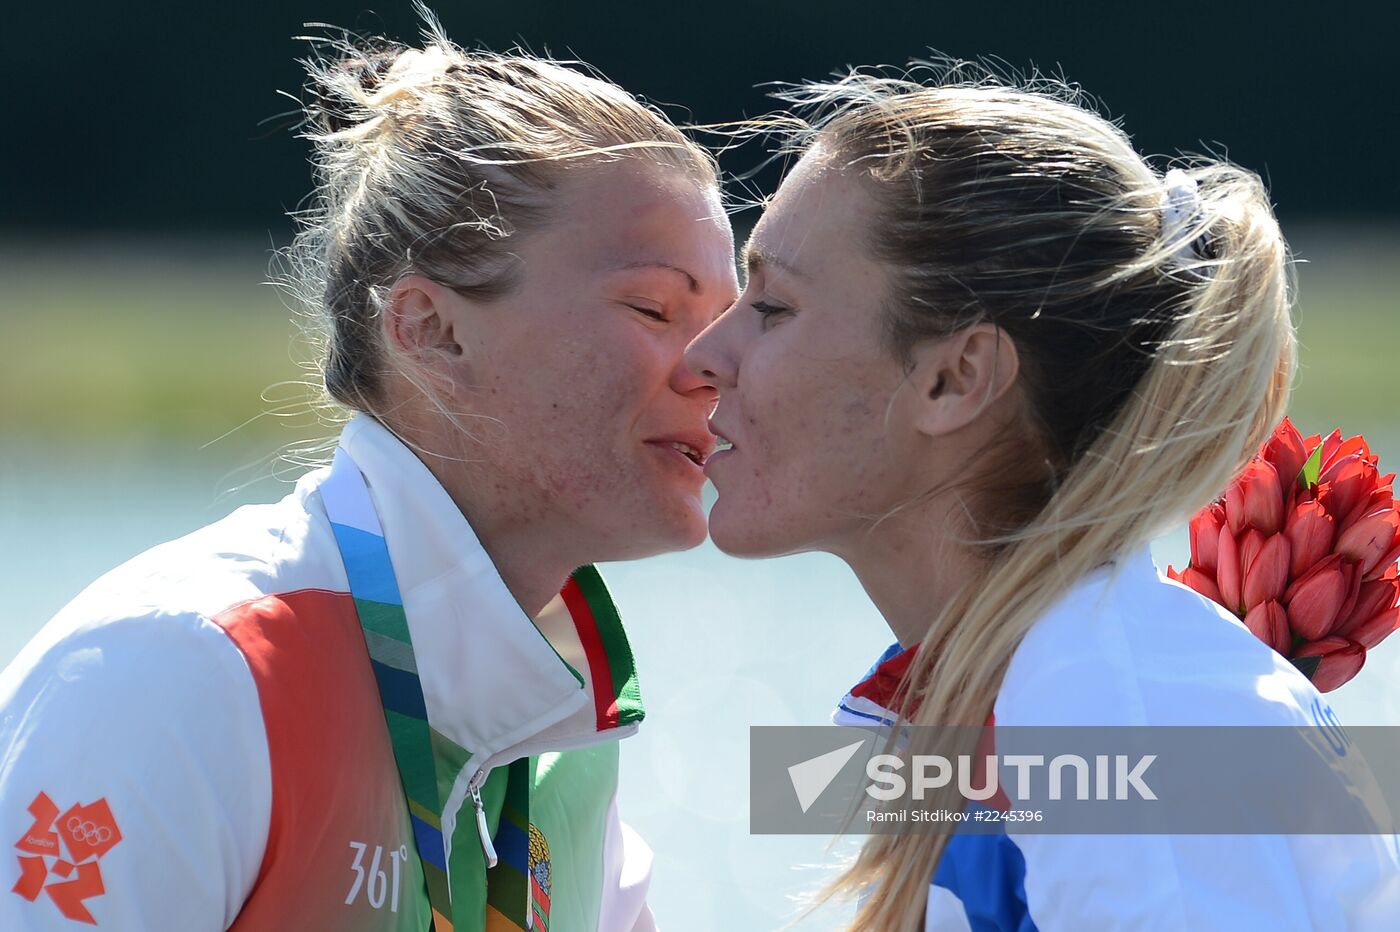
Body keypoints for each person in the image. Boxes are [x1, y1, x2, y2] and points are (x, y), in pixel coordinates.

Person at [0, 14, 736, 931]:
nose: (719, 365)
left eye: (731, 322)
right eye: (656, 307)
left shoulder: (564, 730)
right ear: (430, 329)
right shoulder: (180, 670)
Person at [684, 70, 1400, 929]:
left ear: (955, 379)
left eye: (771, 305)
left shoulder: (1119, 718)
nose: (702, 355)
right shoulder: (1056, 687)